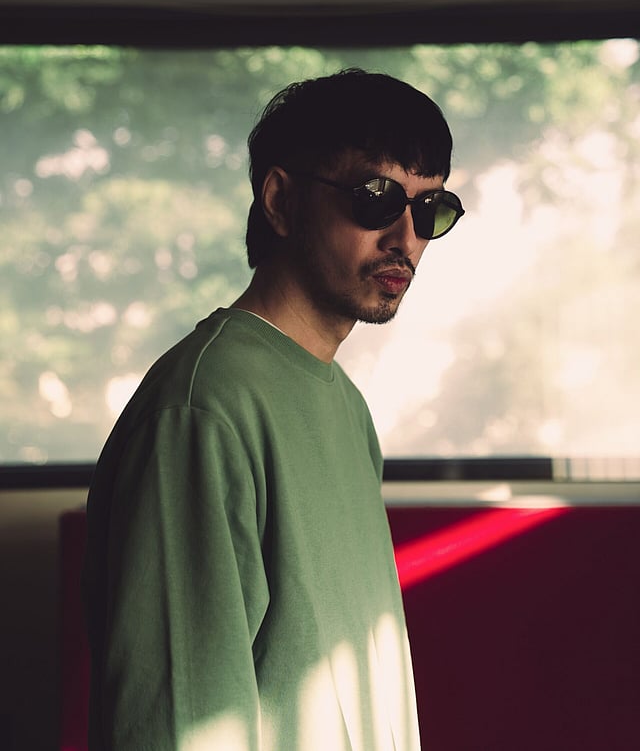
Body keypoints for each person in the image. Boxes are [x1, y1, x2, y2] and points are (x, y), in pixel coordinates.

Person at [82, 68, 463, 751]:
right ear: (282, 201)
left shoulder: (347, 407)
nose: (406, 238)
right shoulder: (200, 410)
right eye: (376, 197)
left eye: (431, 208)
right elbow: (181, 722)